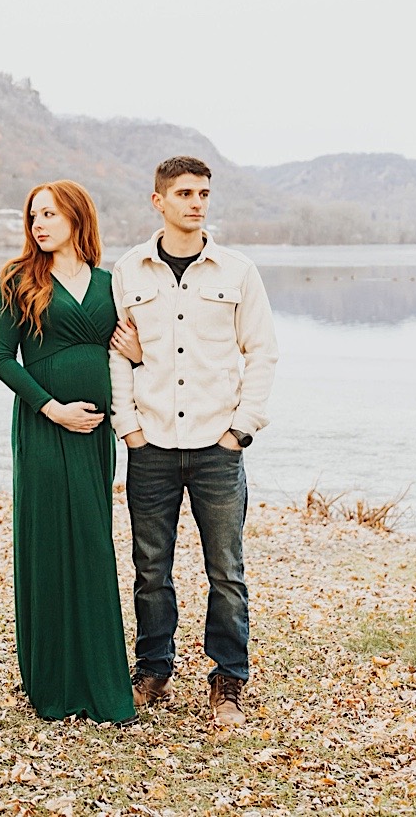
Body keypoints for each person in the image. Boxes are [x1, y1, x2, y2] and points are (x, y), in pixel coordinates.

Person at [108, 155, 278, 727]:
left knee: (226, 569)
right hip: (150, 442)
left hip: (216, 444)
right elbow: (117, 352)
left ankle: (228, 679)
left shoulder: (237, 271)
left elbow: (262, 352)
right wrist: (127, 426)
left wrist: (241, 429)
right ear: (158, 201)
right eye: (184, 193)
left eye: (203, 193)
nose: (196, 202)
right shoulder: (129, 271)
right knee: (150, 566)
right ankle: (153, 668)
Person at [0, 179, 136, 723]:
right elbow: (2, 359)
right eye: (33, 217)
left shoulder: (109, 283)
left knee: (93, 543)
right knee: (49, 540)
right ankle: (51, 681)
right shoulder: (18, 279)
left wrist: (138, 353)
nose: (39, 225)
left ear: (77, 217)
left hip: (96, 434)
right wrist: (52, 408)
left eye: (49, 214)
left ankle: (101, 681)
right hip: (45, 429)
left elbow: (127, 350)